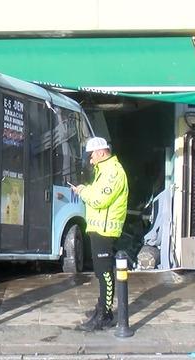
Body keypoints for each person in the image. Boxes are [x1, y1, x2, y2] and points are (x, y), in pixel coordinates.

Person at [70, 137, 128, 332]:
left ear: (102, 152)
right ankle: (102, 308)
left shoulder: (114, 172)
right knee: (100, 273)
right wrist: (83, 190)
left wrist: (83, 191)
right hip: (98, 228)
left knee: (105, 273)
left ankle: (104, 314)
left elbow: (99, 199)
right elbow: (95, 194)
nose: (91, 160)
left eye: (91, 155)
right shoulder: (103, 172)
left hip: (106, 229)